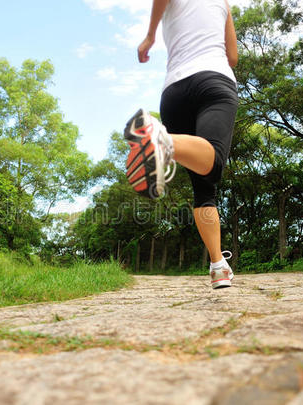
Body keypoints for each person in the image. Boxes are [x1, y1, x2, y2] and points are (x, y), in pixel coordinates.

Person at [124, 0, 239, 289]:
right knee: (211, 167)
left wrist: (151, 35)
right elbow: (233, 57)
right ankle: (161, 140)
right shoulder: (223, 3)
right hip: (214, 81)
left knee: (204, 187)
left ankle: (217, 265)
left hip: (174, 91)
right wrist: (150, 35)